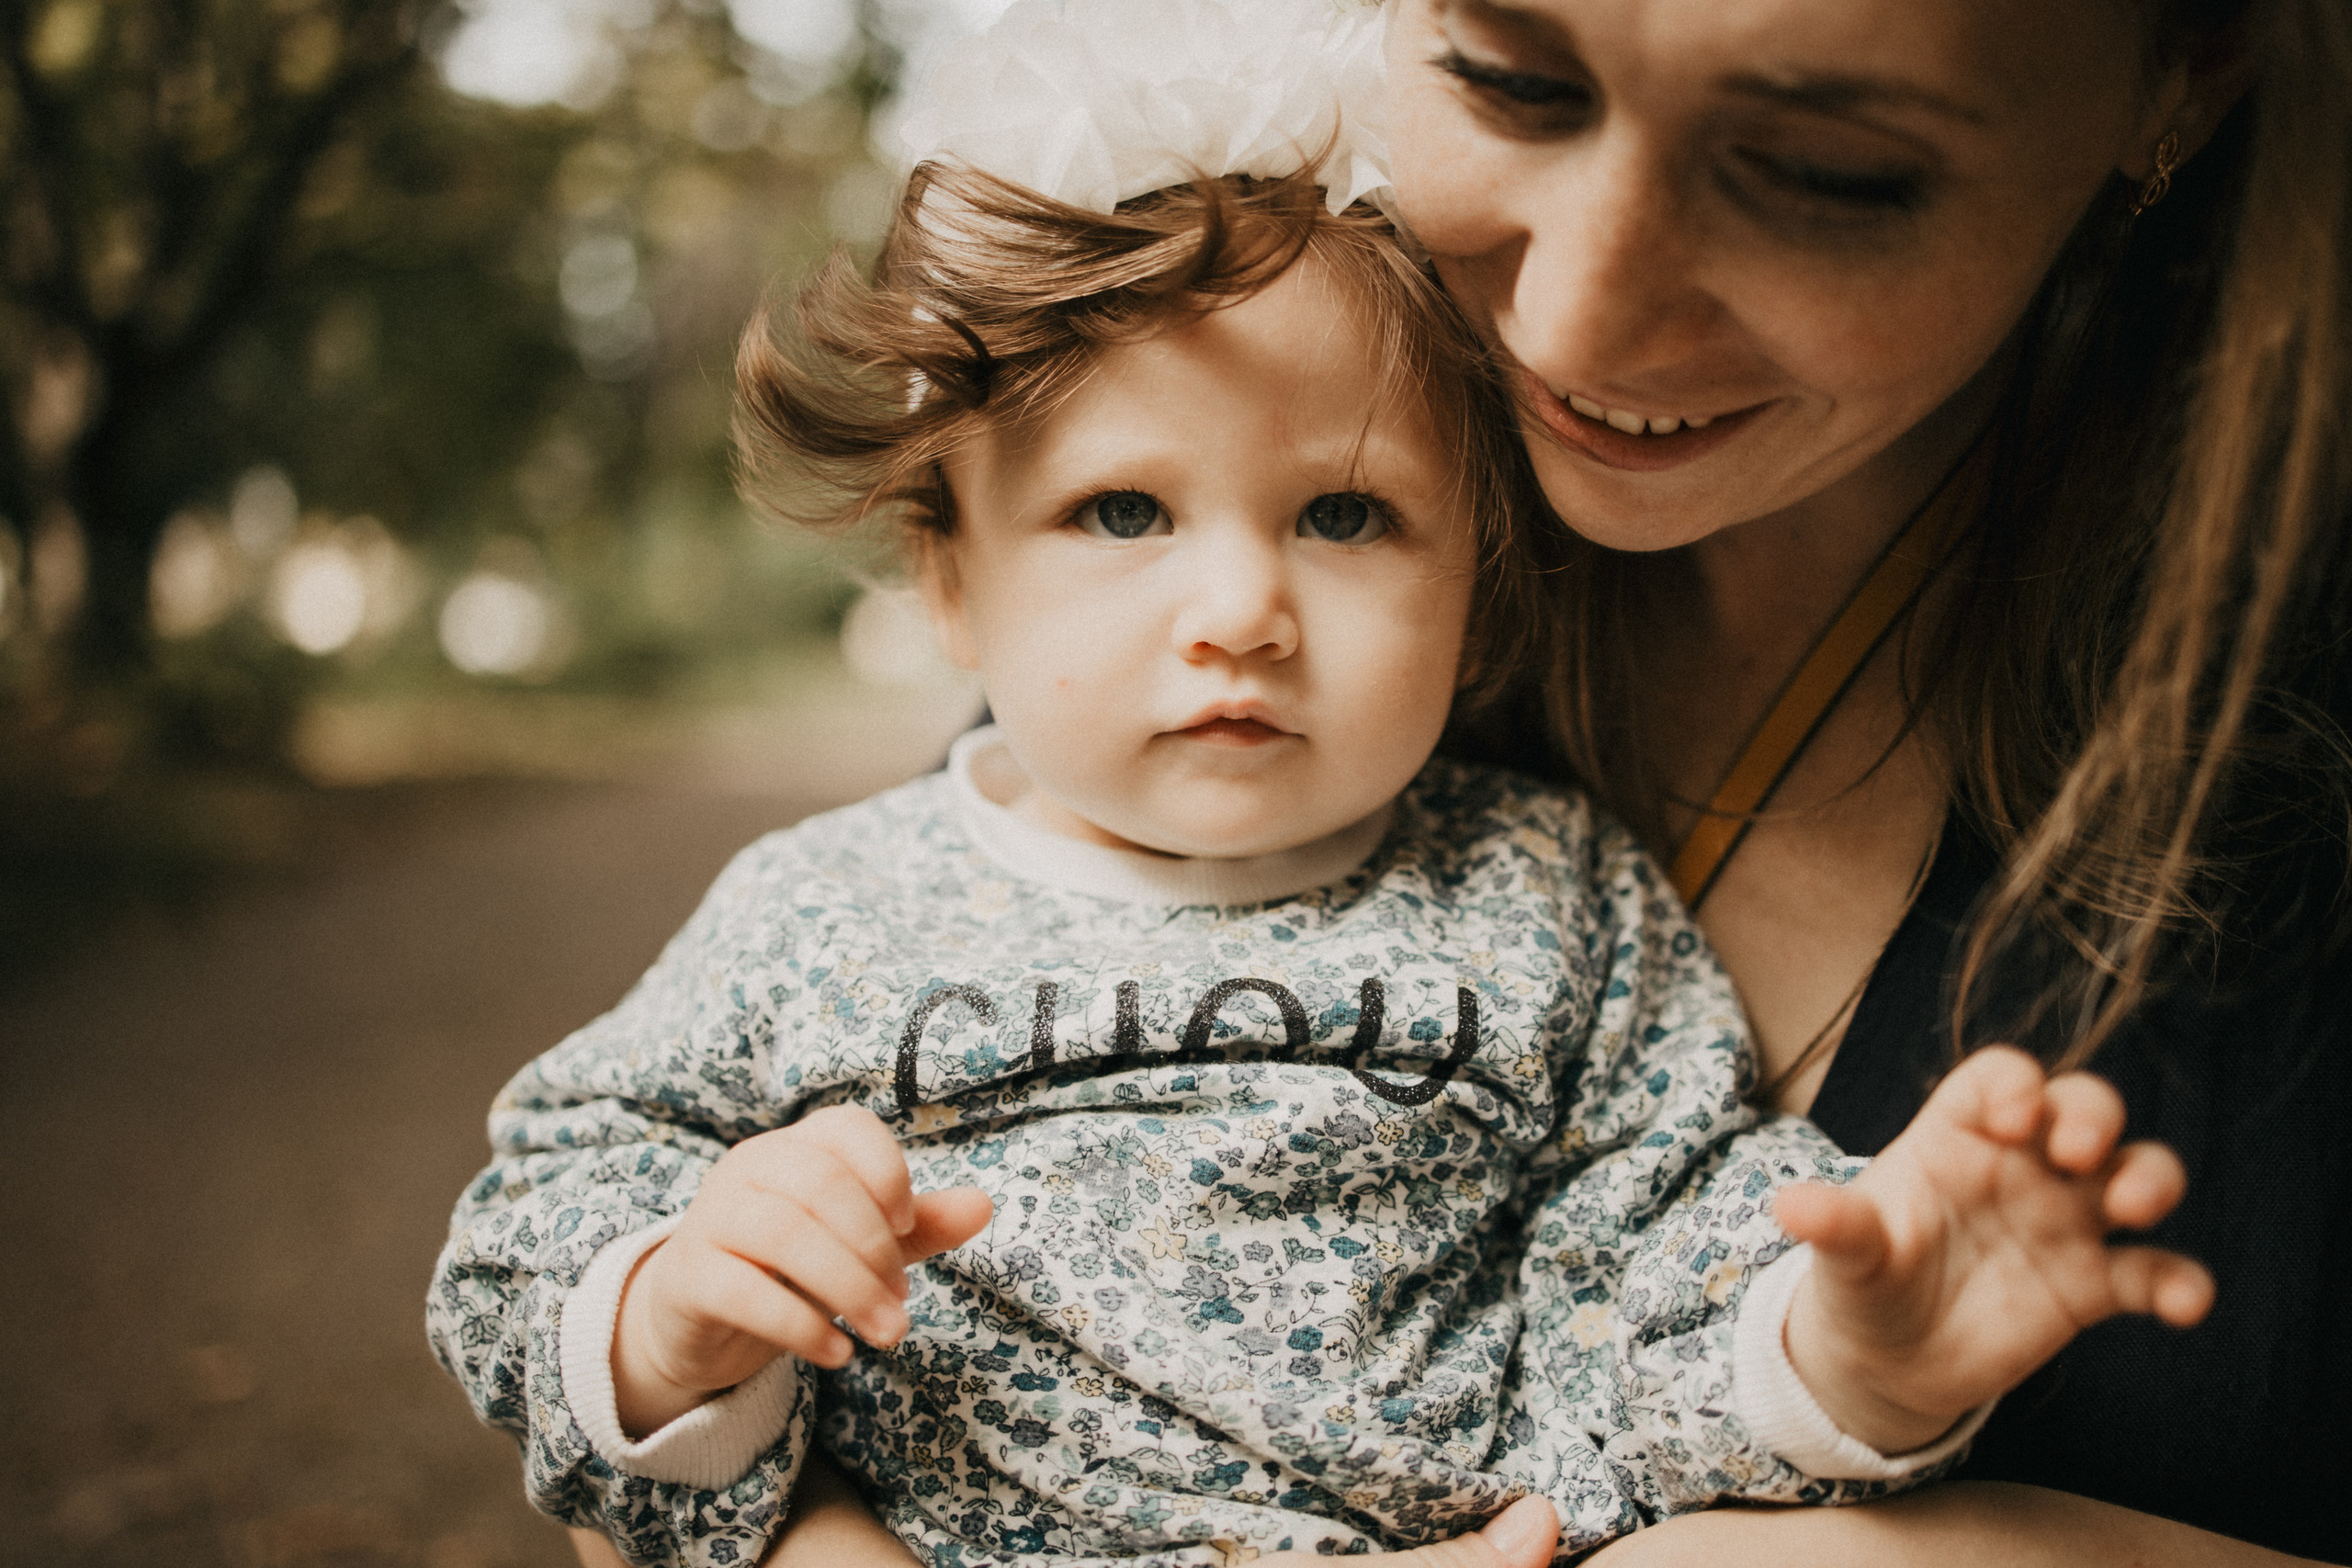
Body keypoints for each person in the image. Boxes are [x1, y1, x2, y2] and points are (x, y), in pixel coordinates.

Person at [427, 4, 2214, 1566]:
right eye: (1122, 511)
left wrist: (1844, 1351)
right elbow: (533, 1226)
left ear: (1478, 568)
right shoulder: (821, 910)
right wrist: (669, 1312)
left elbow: (1649, 1279)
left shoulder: (1547, 899)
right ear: (949, 571)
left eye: (1343, 514)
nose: (1237, 614)